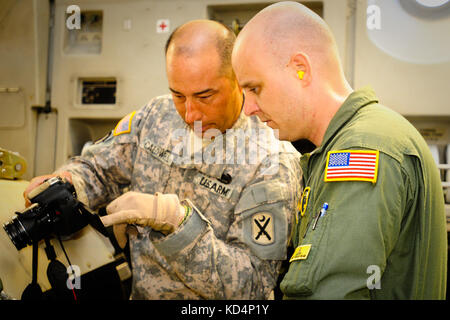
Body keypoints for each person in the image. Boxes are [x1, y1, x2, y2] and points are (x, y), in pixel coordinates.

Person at [24, 20, 302, 299]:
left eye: (205, 96)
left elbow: (252, 286)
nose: (190, 114)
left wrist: (178, 224)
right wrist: (67, 183)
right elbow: (98, 169)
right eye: (178, 94)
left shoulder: (270, 161)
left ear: (239, 79)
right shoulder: (157, 116)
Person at [231, 1, 447, 299]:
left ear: (300, 70)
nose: (249, 108)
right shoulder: (341, 146)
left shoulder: (361, 150)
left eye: (255, 88)